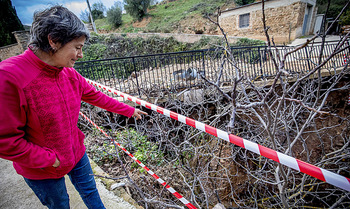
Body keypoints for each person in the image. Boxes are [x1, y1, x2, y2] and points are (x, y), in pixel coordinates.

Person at [0, 5, 147, 209]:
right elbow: (5, 141)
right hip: (43, 169)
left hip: (76, 152)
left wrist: (129, 110)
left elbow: (95, 96)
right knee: (61, 205)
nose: (81, 55)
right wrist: (50, 159)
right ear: (53, 41)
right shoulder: (9, 77)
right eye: (77, 47)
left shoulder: (67, 72)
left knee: (92, 193)